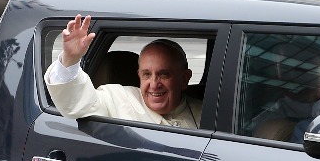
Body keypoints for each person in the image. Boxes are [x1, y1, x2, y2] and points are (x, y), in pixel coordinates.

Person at [44, 14, 202, 129]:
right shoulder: (117, 98)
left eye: (163, 74)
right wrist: (70, 59)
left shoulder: (204, 111)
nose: (154, 84)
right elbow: (77, 103)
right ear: (139, 75)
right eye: (147, 74)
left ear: (184, 79)